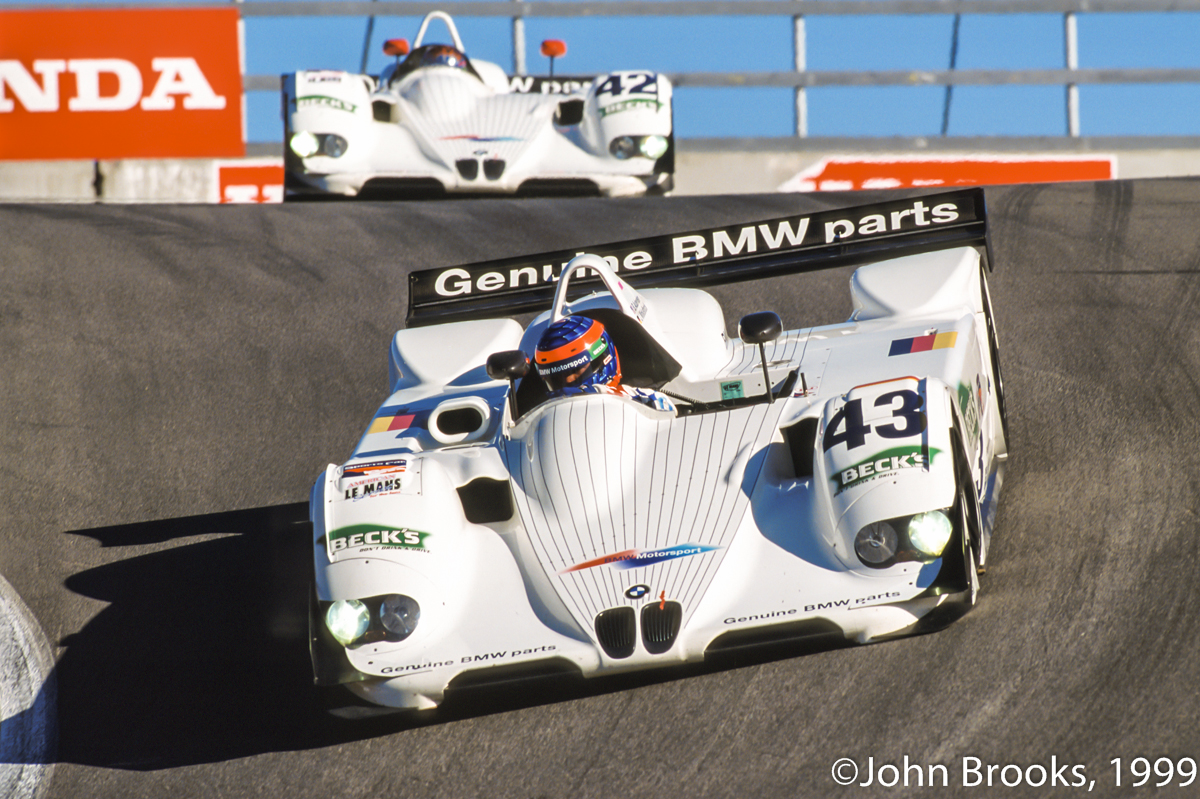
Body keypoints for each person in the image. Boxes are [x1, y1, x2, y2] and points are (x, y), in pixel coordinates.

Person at [533, 316, 674, 413]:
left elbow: (667, 410)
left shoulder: (646, 398)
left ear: (603, 359)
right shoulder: (539, 415)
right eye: (557, 378)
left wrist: (594, 393)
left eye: (575, 371)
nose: (567, 382)